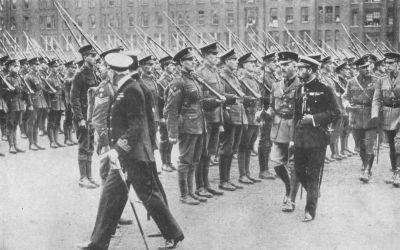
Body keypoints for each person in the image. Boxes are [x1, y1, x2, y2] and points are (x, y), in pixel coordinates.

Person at [79, 52, 184, 249]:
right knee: (110, 197)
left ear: (113, 72)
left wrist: (118, 149)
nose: (103, 71)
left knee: (148, 196)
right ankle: (98, 243)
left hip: (133, 155)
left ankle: (174, 233)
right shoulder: (125, 88)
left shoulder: (131, 90)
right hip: (127, 155)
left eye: (106, 69)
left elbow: (136, 126)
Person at [294, 56, 340, 222]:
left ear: (311, 70)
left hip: (317, 138)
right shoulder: (299, 88)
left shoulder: (325, 89)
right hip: (300, 139)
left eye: (301, 68)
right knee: (298, 171)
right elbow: (296, 116)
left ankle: (310, 210)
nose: (298, 71)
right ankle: (314, 191)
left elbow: (336, 113)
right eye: (298, 68)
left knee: (313, 175)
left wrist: (313, 118)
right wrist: (293, 138)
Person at [165, 47, 207, 205]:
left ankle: (191, 191)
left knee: (194, 160)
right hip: (187, 127)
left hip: (198, 125)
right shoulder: (178, 82)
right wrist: (172, 133)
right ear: (181, 63)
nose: (193, 62)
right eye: (189, 60)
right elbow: (171, 109)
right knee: (185, 161)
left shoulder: (193, 79)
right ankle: (184, 194)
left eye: (193, 60)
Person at [267, 51, 301, 212]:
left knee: (295, 165)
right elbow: (272, 106)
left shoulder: (301, 85)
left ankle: (291, 199)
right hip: (279, 127)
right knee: (277, 162)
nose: (282, 68)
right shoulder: (276, 85)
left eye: (286, 64)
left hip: (296, 127)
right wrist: (265, 114)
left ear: (295, 65)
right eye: (281, 65)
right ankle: (288, 186)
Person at [196, 42, 228, 198]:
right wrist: (216, 101)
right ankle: (199, 186)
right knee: (202, 153)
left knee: (209, 153)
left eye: (216, 55)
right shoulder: (200, 73)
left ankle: (206, 184)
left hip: (216, 117)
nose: (216, 57)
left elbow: (219, 93)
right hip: (206, 117)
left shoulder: (215, 72)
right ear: (205, 56)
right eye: (213, 55)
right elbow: (200, 99)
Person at [342, 56, 378, 183]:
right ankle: (365, 164)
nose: (367, 69)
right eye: (364, 67)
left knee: (369, 145)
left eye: (368, 66)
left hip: (371, 116)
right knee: (360, 146)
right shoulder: (351, 82)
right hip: (356, 117)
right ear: (358, 69)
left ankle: (367, 170)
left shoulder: (376, 81)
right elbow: (345, 96)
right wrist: (347, 105)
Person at [218, 48, 248, 191]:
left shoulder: (233, 76)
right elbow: (220, 95)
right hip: (229, 115)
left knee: (232, 149)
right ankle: (223, 180)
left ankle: (227, 178)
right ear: (225, 62)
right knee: (226, 148)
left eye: (236, 60)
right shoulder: (222, 76)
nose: (236, 62)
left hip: (238, 115)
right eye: (233, 60)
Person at [70, 45, 100, 189]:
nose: (94, 58)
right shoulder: (79, 74)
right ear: (84, 57)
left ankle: (90, 176)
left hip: (92, 115)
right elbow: (74, 98)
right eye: (92, 56)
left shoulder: (94, 73)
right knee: (84, 146)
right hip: (82, 116)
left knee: (90, 146)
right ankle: (83, 177)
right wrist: (80, 118)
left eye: (95, 56)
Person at [372, 52, 400, 186]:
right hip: (388, 114)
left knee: (398, 143)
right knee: (392, 146)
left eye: (391, 63)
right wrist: (375, 114)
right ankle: (395, 172)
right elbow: (376, 99)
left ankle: (398, 174)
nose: (388, 66)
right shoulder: (381, 80)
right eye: (386, 63)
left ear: (398, 64)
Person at [237, 52, 262, 184]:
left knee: (250, 145)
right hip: (247, 115)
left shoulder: (252, 80)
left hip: (255, 117)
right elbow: (240, 97)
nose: (253, 65)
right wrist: (251, 99)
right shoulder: (242, 80)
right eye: (250, 63)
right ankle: (242, 174)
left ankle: (248, 173)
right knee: (243, 145)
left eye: (253, 63)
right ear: (244, 65)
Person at [257, 52, 276, 180]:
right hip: (265, 112)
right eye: (273, 62)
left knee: (269, 142)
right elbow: (262, 96)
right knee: (264, 141)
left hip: (272, 112)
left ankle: (267, 169)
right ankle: (263, 170)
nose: (276, 64)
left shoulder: (271, 77)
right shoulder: (263, 77)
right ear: (267, 63)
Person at [157, 55, 177, 172]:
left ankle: (169, 161)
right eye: (170, 65)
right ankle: (164, 163)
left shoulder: (172, 79)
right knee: (164, 139)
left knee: (171, 138)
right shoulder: (161, 81)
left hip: (172, 114)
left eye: (173, 65)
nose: (173, 67)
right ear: (165, 67)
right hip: (164, 114)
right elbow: (159, 101)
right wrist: (161, 117)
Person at [24, 57, 47, 151]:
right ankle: (31, 143)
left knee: (37, 123)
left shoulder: (38, 75)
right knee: (31, 123)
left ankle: (36, 142)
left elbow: (41, 88)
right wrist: (30, 104)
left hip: (41, 101)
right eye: (36, 65)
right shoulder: (28, 77)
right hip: (33, 102)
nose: (38, 66)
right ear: (31, 66)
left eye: (38, 64)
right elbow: (27, 92)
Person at [4, 59, 26, 154]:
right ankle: (11, 146)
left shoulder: (19, 78)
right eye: (14, 66)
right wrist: (8, 90)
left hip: (19, 104)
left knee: (16, 125)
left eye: (18, 66)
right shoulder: (6, 79)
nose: (17, 68)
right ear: (9, 67)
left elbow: (22, 90)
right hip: (11, 104)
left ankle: (16, 145)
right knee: (10, 125)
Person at [46, 59, 66, 148]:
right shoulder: (48, 79)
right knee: (51, 123)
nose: (57, 68)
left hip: (60, 102)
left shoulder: (58, 77)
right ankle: (52, 141)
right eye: (55, 66)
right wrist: (49, 105)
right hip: (53, 103)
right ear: (50, 68)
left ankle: (56, 141)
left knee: (57, 122)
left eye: (57, 66)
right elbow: (46, 93)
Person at [62, 60, 77, 146]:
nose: (74, 69)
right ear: (67, 68)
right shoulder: (66, 78)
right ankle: (66, 139)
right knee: (68, 120)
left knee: (71, 121)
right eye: (72, 68)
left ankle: (70, 138)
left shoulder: (73, 76)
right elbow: (69, 82)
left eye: (75, 68)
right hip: (68, 101)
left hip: (73, 100)